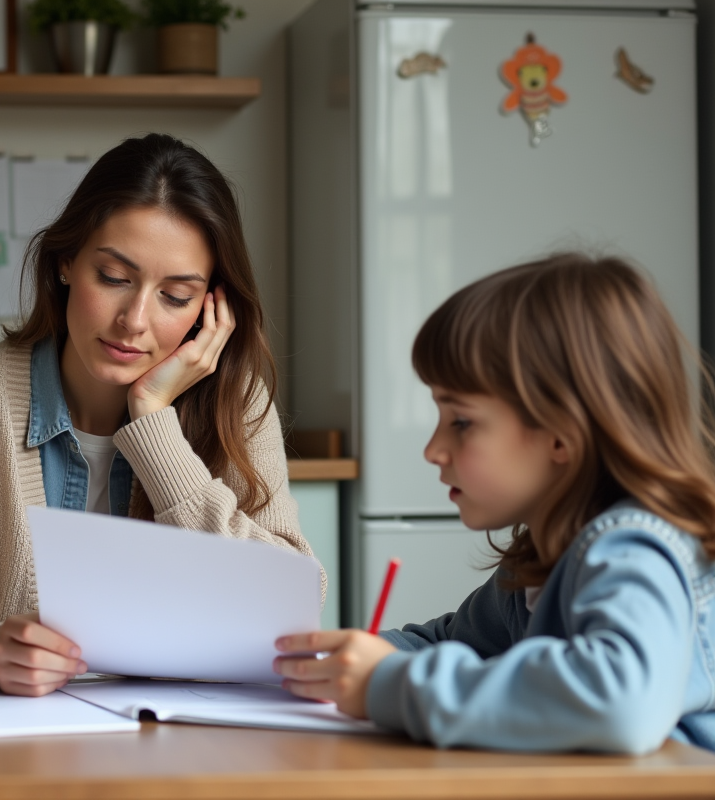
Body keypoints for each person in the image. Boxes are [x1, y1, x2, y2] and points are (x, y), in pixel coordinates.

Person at [0, 133, 323, 697]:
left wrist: (154, 426)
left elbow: (290, 605)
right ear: (65, 264)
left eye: (175, 296)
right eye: (113, 278)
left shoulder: (240, 402)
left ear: (211, 309)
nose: (134, 320)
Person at [273, 253, 715, 754]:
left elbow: (622, 703)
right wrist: (340, 662)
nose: (433, 450)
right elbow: (449, 645)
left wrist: (390, 683)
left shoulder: (633, 548)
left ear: (562, 435)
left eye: (461, 421)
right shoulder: (536, 568)